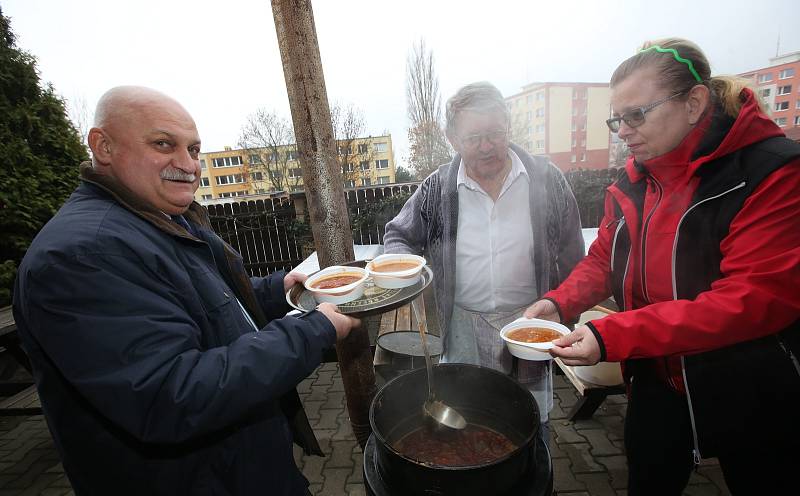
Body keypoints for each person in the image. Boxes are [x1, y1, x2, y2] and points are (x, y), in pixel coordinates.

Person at [12, 86, 360, 496]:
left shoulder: (153, 218)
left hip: (241, 468)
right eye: (164, 144)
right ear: (102, 146)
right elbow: (171, 394)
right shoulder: (84, 253)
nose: (188, 165)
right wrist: (312, 330)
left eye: (194, 150)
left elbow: (199, 304)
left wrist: (275, 291)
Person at [525, 38, 800, 494]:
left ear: (694, 103)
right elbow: (603, 259)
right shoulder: (635, 180)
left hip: (749, 381)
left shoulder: (769, 173)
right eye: (618, 119)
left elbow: (753, 298)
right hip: (655, 374)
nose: (624, 131)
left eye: (638, 114)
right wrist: (558, 303)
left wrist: (614, 335)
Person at [384, 81, 585, 442]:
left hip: (529, 325)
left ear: (509, 126)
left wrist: (564, 314)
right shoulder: (438, 188)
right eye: (474, 137)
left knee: (530, 422)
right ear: (453, 138)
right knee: (469, 422)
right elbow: (398, 235)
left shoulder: (547, 180)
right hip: (462, 326)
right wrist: (405, 268)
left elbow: (573, 254)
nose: (487, 146)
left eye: (495, 133)